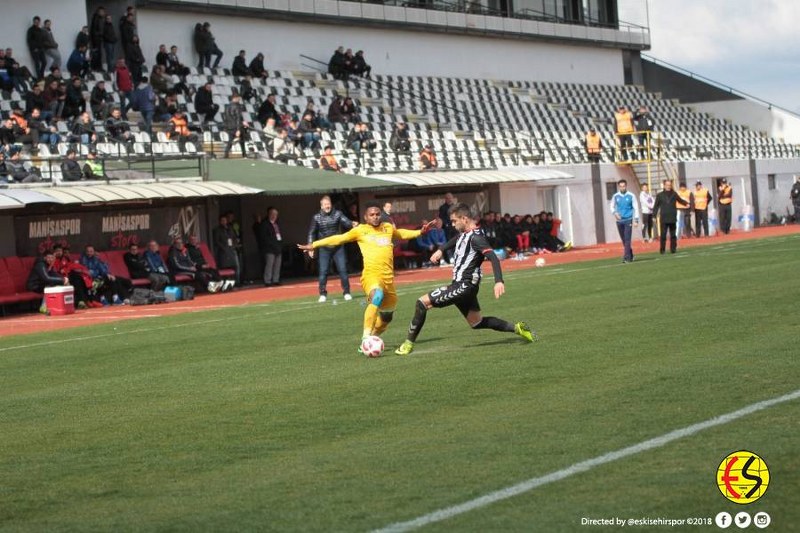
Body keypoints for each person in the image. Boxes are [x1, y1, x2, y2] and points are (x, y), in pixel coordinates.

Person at [394, 203, 535, 355]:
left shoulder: (476, 238)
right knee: (477, 322)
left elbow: (493, 257)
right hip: (464, 286)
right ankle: (517, 328)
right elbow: (456, 239)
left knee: (422, 303)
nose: (453, 224)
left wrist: (499, 281)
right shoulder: (467, 233)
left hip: (464, 286)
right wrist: (441, 250)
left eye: (455, 221)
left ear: (465, 219)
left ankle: (407, 344)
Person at [299, 202, 435, 348]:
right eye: (372, 215)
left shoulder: (387, 227)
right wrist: (314, 244)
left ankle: (372, 338)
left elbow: (401, 233)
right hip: (371, 276)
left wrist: (420, 232)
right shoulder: (360, 230)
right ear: (365, 217)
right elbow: (338, 238)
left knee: (386, 318)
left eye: (377, 214)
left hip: (388, 279)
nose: (375, 217)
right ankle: (365, 338)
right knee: (377, 296)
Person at [306, 195, 358, 302]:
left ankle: (347, 292)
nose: (327, 206)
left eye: (328, 204)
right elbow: (311, 232)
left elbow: (346, 222)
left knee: (343, 270)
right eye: (325, 204)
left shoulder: (338, 214)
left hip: (338, 247)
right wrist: (310, 247)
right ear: (321, 206)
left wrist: (352, 224)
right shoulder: (316, 217)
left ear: (331, 204)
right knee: (323, 271)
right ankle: (322, 294)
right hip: (324, 248)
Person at [652, 179, 689, 254]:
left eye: (669, 185)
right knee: (663, 235)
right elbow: (656, 206)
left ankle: (673, 249)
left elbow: (680, 200)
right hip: (664, 217)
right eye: (667, 185)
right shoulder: (660, 195)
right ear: (664, 185)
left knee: (673, 235)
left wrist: (686, 203)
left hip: (672, 216)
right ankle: (662, 250)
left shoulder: (674, 194)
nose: (668, 186)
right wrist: (654, 216)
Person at [609, 179, 639, 263]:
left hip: (628, 220)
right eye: (621, 186)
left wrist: (636, 220)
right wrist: (614, 213)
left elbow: (636, 208)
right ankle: (631, 254)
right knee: (624, 240)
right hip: (619, 221)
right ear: (619, 187)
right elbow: (611, 206)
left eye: (624, 186)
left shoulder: (631, 195)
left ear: (626, 186)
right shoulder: (615, 196)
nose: (622, 188)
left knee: (627, 239)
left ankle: (626, 257)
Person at [257, 207, 283, 287]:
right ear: (269, 214)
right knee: (269, 265)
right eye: (273, 214)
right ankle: (267, 280)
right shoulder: (265, 224)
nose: (275, 216)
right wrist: (271, 245)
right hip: (269, 248)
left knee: (277, 265)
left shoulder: (276, 224)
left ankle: (276, 279)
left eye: (276, 214)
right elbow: (264, 237)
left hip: (277, 247)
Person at [212, 214, 240, 286]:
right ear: (220, 222)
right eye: (222, 221)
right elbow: (217, 241)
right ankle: (226, 283)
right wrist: (224, 248)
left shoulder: (230, 228)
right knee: (225, 267)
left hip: (232, 250)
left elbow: (234, 237)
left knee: (236, 266)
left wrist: (234, 245)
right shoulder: (217, 230)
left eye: (225, 220)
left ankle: (236, 282)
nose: (224, 222)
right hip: (223, 252)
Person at [222, 94, 250, 158]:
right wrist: (238, 129)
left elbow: (226, 117)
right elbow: (238, 118)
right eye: (238, 98)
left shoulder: (227, 106)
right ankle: (244, 154)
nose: (239, 99)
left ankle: (226, 154)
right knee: (241, 140)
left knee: (230, 140)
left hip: (229, 126)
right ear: (235, 98)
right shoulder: (237, 106)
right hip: (236, 126)